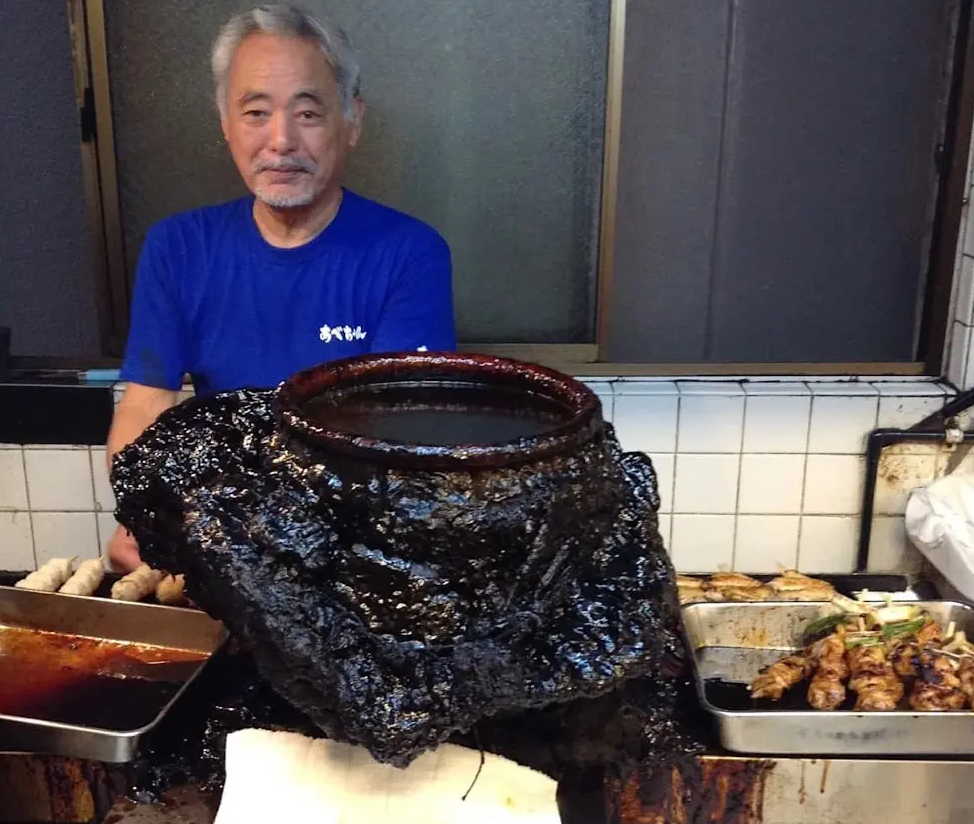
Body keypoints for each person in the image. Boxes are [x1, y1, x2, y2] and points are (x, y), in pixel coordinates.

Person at [106, 4, 457, 571]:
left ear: (352, 121)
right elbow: (146, 404)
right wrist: (141, 510)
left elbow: (405, 437)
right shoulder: (178, 247)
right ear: (225, 124)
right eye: (255, 112)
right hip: (223, 542)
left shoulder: (409, 254)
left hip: (349, 552)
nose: (280, 140)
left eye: (308, 113)